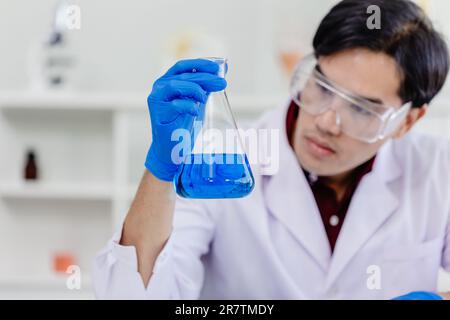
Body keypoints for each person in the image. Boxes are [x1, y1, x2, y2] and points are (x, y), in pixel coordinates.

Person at [93, 0, 450, 299]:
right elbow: (132, 293)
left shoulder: (437, 170)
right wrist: (159, 172)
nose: (326, 121)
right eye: (323, 87)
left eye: (360, 108)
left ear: (408, 120)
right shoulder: (223, 161)